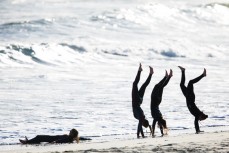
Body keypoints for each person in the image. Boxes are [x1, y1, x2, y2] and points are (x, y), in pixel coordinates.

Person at [178, 66, 208, 134]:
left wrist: (198, 130)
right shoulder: (197, 114)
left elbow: (196, 122)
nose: (199, 120)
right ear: (200, 116)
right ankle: (203, 75)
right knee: (190, 82)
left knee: (181, 85)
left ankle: (183, 71)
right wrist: (197, 130)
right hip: (190, 97)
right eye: (201, 119)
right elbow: (196, 122)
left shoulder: (197, 115)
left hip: (187, 97)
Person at [132, 63, 153, 138]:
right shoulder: (141, 118)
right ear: (143, 122)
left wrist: (148, 131)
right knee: (135, 84)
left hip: (139, 101)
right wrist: (139, 135)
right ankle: (140, 71)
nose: (141, 124)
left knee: (144, 85)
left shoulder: (142, 116)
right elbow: (139, 126)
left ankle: (151, 74)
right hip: (136, 100)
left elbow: (141, 126)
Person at [151, 69, 172, 137]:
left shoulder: (160, 117)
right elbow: (153, 124)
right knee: (157, 86)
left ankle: (169, 76)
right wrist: (153, 133)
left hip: (159, 101)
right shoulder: (156, 118)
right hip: (154, 99)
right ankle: (166, 77)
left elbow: (160, 124)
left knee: (161, 87)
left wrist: (162, 133)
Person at [19, 128, 86, 144]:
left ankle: (27, 142)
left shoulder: (68, 138)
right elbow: (83, 138)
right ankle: (29, 141)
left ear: (72, 134)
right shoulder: (69, 137)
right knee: (38, 138)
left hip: (51, 139)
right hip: (51, 137)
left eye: (70, 132)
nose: (69, 132)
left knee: (39, 137)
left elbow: (61, 140)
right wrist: (78, 138)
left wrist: (54, 142)